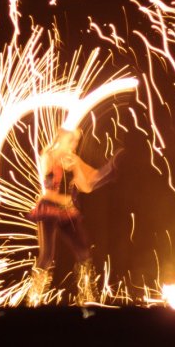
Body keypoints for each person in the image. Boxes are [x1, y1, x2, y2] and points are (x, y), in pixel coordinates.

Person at [25, 127, 123, 307]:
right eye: (72, 140)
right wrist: (65, 193)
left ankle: (86, 298)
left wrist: (108, 168)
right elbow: (46, 188)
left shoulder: (74, 159)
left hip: (67, 211)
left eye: (76, 141)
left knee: (84, 253)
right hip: (48, 209)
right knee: (47, 255)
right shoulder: (48, 156)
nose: (75, 144)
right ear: (62, 138)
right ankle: (33, 301)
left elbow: (86, 187)